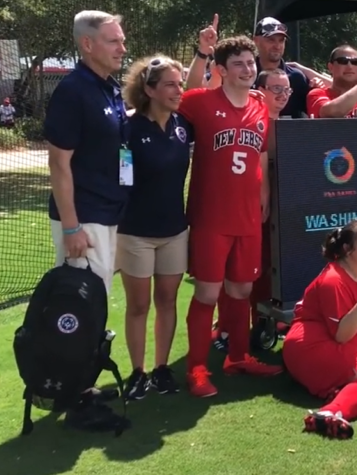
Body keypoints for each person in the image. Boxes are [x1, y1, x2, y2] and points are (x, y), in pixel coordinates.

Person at [177, 36, 282, 398]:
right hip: (211, 217)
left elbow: (261, 156)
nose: (248, 69)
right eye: (238, 64)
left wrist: (264, 192)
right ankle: (196, 368)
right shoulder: (204, 102)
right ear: (221, 70)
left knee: (242, 289)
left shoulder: (258, 104)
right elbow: (183, 93)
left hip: (248, 215)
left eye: (250, 63)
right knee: (207, 292)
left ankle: (238, 356)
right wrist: (202, 52)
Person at [283, 220, 357, 440]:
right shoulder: (333, 280)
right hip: (310, 348)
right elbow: (342, 335)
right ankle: (331, 412)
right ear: (348, 250)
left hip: (335, 342)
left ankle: (344, 386)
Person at [117, 56, 192, 399]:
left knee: (167, 300)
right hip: (135, 232)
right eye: (171, 85)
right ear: (149, 90)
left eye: (180, 83)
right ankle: (138, 373)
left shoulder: (183, 126)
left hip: (175, 230)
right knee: (138, 306)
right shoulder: (127, 127)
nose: (179, 90)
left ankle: (162, 370)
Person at [212, 68, 300, 353]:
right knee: (234, 275)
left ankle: (262, 325)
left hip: (280, 210)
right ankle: (225, 329)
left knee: (265, 272)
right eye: (276, 90)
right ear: (259, 90)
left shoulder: (291, 122)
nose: (283, 96)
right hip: (242, 208)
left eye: (287, 91)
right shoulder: (249, 120)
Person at [44, 10, 129, 294]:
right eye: (113, 41)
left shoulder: (109, 87)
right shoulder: (73, 91)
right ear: (88, 44)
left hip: (108, 212)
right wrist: (71, 228)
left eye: (122, 40)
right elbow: (58, 163)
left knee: (97, 304)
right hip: (85, 217)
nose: (122, 49)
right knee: (81, 310)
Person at [184, 15, 324, 116]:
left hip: (287, 150)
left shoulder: (296, 77)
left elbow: (326, 103)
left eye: (281, 40)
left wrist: (313, 78)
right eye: (271, 40)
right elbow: (195, 88)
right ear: (256, 40)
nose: (277, 45)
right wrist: (203, 50)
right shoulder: (242, 72)